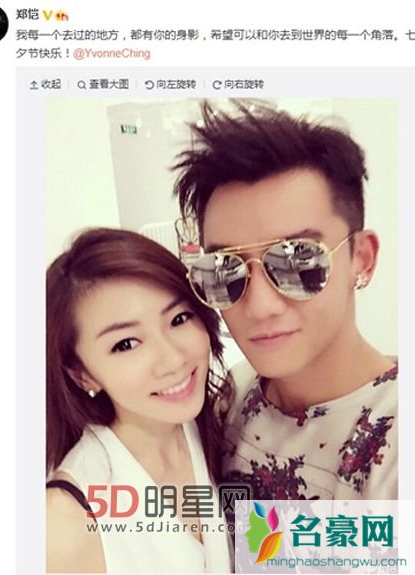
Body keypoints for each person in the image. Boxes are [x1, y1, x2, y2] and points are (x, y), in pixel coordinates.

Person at [173, 100, 398, 500]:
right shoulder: (235, 395)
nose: (260, 305)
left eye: (297, 260)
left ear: (361, 258)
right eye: (225, 268)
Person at [46, 227, 232, 573]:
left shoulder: (218, 426)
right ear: (82, 374)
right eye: (126, 344)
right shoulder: (64, 521)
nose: (172, 360)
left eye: (179, 319)